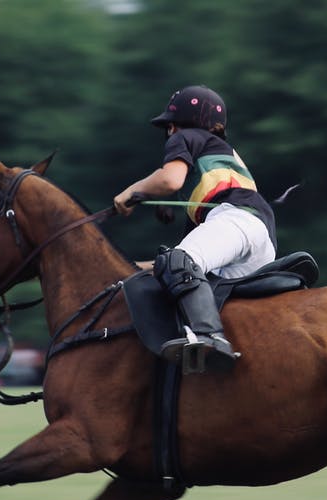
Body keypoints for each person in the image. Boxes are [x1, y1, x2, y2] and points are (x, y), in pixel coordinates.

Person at [114, 85, 277, 374]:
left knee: (180, 262)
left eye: (168, 127)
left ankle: (209, 337)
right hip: (261, 239)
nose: (168, 133)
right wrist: (129, 269)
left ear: (174, 126)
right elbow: (179, 268)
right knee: (180, 268)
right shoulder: (226, 160)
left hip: (236, 220)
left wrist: (131, 191)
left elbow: (171, 180)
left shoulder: (185, 136)